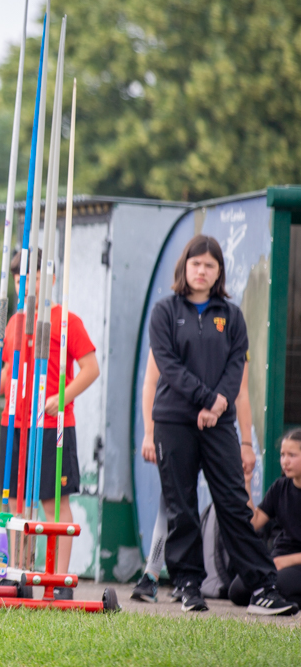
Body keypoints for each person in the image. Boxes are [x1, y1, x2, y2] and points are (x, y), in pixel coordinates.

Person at [148, 233, 296, 615]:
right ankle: (187, 584)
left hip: (219, 423)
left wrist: (219, 404)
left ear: (219, 272)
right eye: (196, 263)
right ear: (185, 267)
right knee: (182, 505)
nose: (202, 271)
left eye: (209, 265)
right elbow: (168, 367)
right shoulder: (164, 311)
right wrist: (205, 399)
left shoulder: (231, 316)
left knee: (233, 502)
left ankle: (262, 586)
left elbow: (236, 369)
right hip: (173, 422)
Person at [0, 249, 99, 598]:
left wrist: (64, 396)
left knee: (54, 502)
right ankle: (17, 572)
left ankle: (59, 580)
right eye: (20, 279)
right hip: (15, 424)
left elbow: (91, 368)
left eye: (33, 277)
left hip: (52, 426)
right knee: (15, 501)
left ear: (49, 278)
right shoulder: (14, 323)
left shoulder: (66, 321)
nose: (27, 285)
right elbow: (8, 372)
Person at [132, 350, 255, 603]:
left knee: (232, 502)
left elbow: (241, 393)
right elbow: (150, 382)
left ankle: (252, 579)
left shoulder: (230, 337)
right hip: (177, 429)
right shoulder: (169, 330)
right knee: (172, 502)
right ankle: (154, 574)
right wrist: (149, 431)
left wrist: (246, 442)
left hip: (217, 431)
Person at [228, 430, 301, 608]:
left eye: (292, 455)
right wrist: (246, 482)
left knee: (278, 586)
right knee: (237, 591)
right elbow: (253, 522)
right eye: (283, 455)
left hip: (295, 562)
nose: (285, 461)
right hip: (278, 557)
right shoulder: (280, 487)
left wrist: (285, 561)